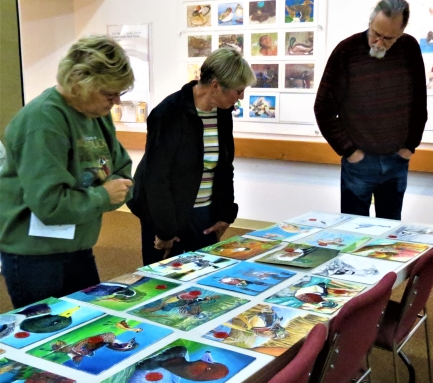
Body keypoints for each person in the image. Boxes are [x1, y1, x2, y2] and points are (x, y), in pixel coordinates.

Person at [0, 35, 134, 308]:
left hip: (77, 244)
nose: (116, 101)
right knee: (43, 340)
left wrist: (107, 192)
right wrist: (102, 196)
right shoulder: (43, 121)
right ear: (81, 84)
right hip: (35, 254)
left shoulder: (97, 114)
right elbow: (50, 206)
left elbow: (122, 171)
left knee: (87, 324)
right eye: (109, 94)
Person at [128, 47, 256, 265]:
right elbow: (156, 177)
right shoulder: (169, 113)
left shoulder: (222, 113)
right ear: (215, 86)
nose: (242, 96)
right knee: (164, 281)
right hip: (166, 215)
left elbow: (225, 166)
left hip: (203, 214)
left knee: (204, 279)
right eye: (238, 90)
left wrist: (225, 214)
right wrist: (165, 230)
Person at [314, 0, 427, 220]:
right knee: (353, 231)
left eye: (388, 38)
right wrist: (349, 151)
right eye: (375, 33)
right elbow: (323, 108)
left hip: (396, 159)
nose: (378, 43)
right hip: (359, 163)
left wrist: (409, 146)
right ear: (370, 22)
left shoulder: (409, 49)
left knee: (390, 233)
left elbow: (419, 103)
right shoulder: (347, 52)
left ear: (402, 31)